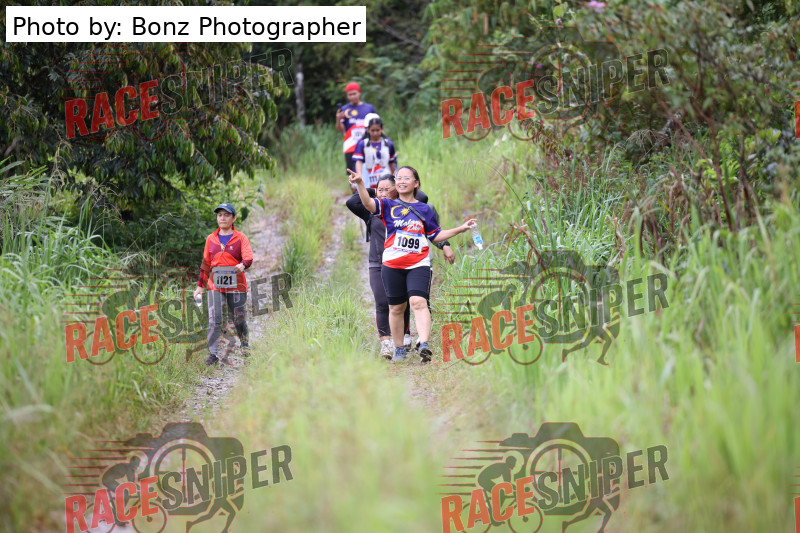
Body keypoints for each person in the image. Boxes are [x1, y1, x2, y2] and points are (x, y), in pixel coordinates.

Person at [349, 165, 476, 363]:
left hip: (418, 263)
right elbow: (367, 203)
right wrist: (360, 184)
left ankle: (424, 344)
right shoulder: (388, 205)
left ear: (416, 183)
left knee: (419, 302)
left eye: (406, 178)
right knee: (396, 308)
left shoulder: (425, 209)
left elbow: (435, 235)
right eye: (398, 178)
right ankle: (399, 348)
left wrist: (460, 229)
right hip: (392, 264)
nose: (401, 181)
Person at [194, 203, 253, 366]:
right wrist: (199, 286)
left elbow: (248, 257)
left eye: (226, 215)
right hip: (215, 285)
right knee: (214, 318)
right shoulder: (211, 239)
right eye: (219, 215)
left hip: (237, 284)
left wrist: (243, 264)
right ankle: (213, 354)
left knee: (239, 319)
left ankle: (245, 345)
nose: (222, 218)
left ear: (234, 218)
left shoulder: (241, 238)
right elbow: (206, 264)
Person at [336, 82, 376, 178]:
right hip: (351, 147)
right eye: (350, 94)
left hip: (367, 145)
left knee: (371, 173)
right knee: (353, 175)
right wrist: (338, 118)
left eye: (354, 93)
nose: (352, 96)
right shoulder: (344, 110)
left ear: (359, 93)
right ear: (347, 96)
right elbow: (340, 129)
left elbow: (377, 125)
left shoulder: (369, 108)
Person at [353, 115, 397, 188]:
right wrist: (359, 176)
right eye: (372, 130)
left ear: (381, 129)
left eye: (377, 130)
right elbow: (358, 162)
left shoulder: (388, 144)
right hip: (367, 177)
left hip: (384, 176)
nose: (375, 133)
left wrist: (394, 178)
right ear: (368, 130)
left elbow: (391, 163)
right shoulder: (362, 144)